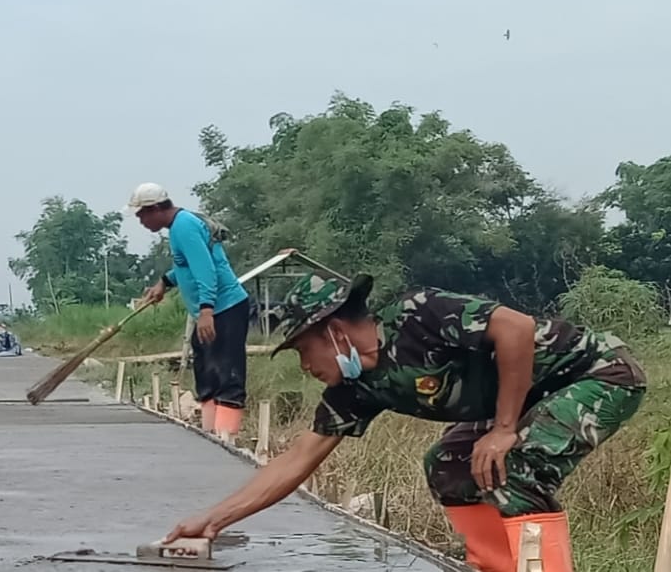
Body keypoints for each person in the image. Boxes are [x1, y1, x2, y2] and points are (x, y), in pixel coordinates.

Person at [162, 271, 646, 572]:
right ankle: (498, 566)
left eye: (304, 351)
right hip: (532, 398)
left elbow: (515, 327)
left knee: (513, 465)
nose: (305, 367)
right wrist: (213, 520)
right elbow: (297, 459)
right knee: (448, 464)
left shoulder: (420, 315)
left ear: (334, 331)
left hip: (597, 373)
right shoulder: (356, 389)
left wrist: (503, 430)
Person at [129, 182, 257, 438]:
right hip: (210, 311)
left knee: (227, 374)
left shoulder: (184, 226)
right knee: (207, 373)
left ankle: (226, 439)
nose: (141, 222)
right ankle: (210, 434)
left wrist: (206, 310)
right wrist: (164, 282)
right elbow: (186, 266)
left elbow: (205, 269)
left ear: (155, 209)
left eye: (142, 215)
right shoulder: (179, 227)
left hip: (225, 308)